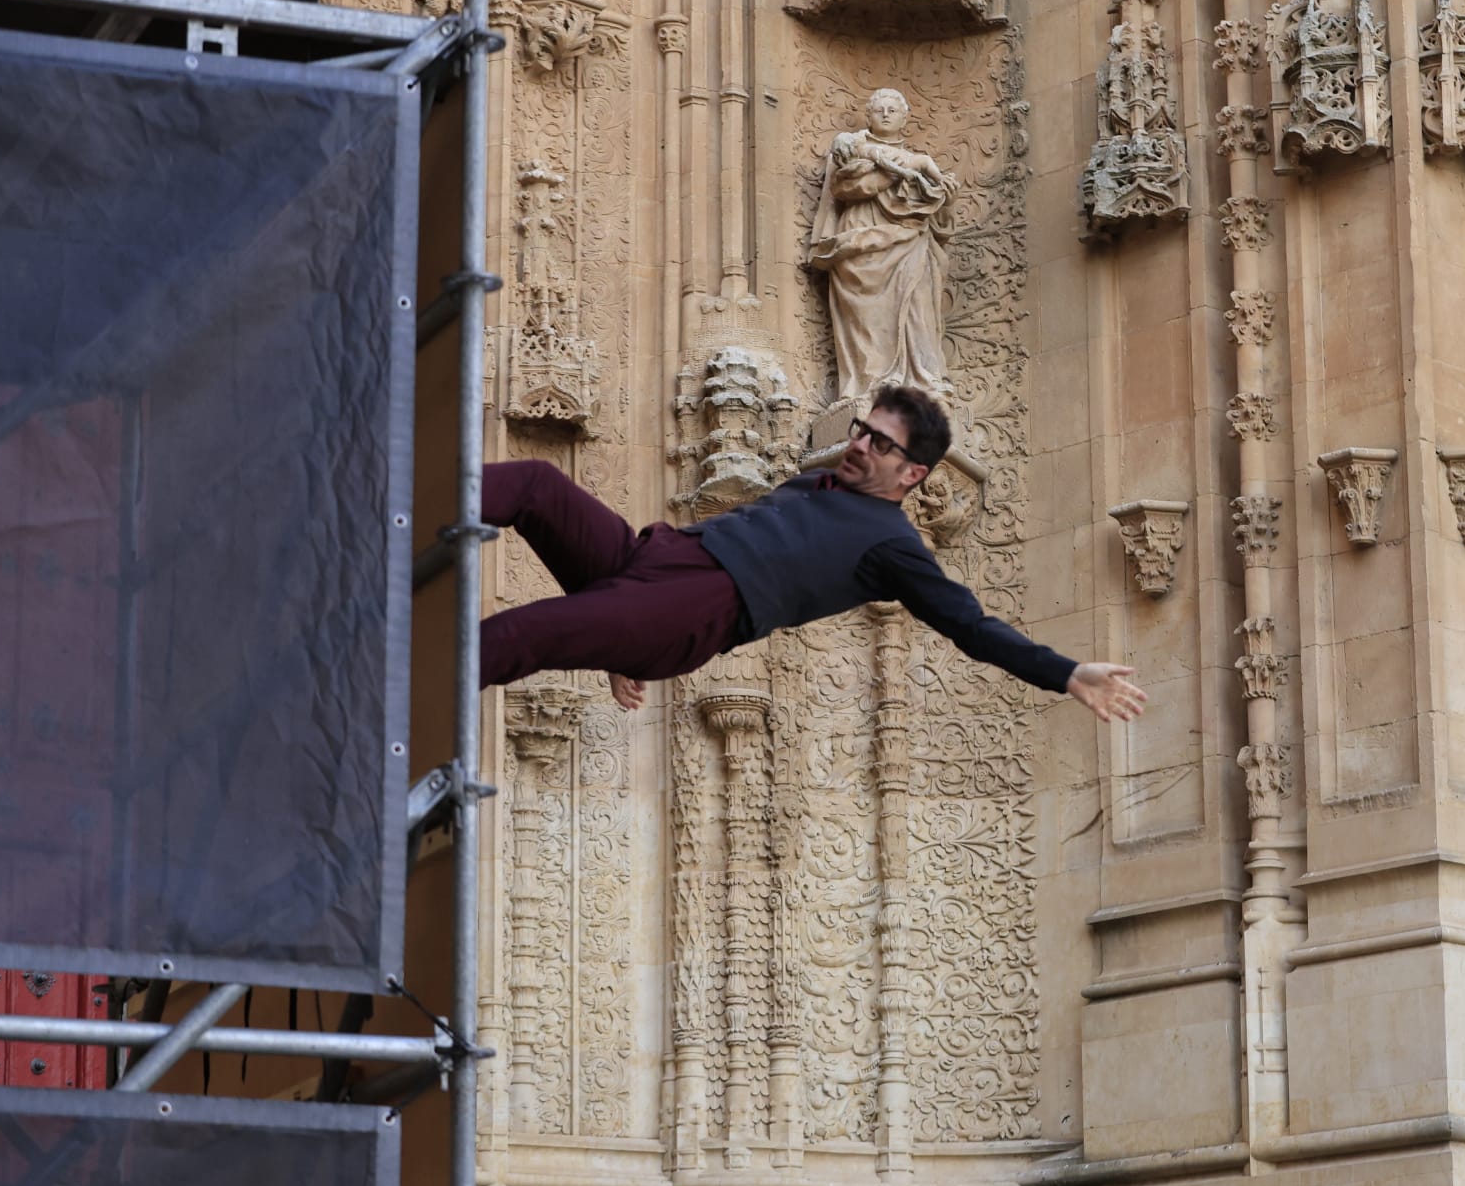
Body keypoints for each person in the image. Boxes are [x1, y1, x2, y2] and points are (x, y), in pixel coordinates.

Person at [478, 384, 1149, 724]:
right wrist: (619, 641)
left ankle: (388, 687)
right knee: (537, 486)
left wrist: (1065, 673)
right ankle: (397, 502)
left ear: (913, 473)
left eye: (881, 444)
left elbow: (970, 626)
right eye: (865, 430)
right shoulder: (819, 479)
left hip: (696, 605)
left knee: (520, 632)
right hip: (660, 559)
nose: (860, 444)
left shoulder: (893, 546)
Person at [805, 89, 958, 402]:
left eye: (892, 109)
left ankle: (921, 379)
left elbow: (939, 221)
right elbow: (846, 187)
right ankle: (871, 381)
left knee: (916, 307)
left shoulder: (919, 163)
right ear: (869, 117)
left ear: (904, 119)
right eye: (879, 110)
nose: (886, 114)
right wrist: (904, 168)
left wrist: (944, 198)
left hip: (911, 240)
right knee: (867, 315)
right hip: (862, 237)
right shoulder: (852, 146)